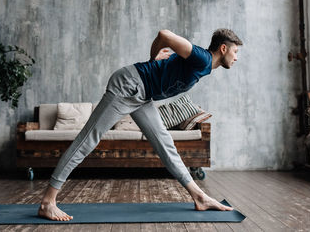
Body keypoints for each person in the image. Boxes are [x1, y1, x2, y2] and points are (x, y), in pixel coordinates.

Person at [38, 28, 243, 221]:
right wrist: (153, 58)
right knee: (88, 140)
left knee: (165, 144)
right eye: (235, 51)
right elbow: (164, 35)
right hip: (128, 86)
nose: (236, 57)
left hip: (142, 96)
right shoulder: (203, 57)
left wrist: (157, 61)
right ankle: (48, 202)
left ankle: (200, 197)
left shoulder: (204, 65)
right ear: (223, 48)